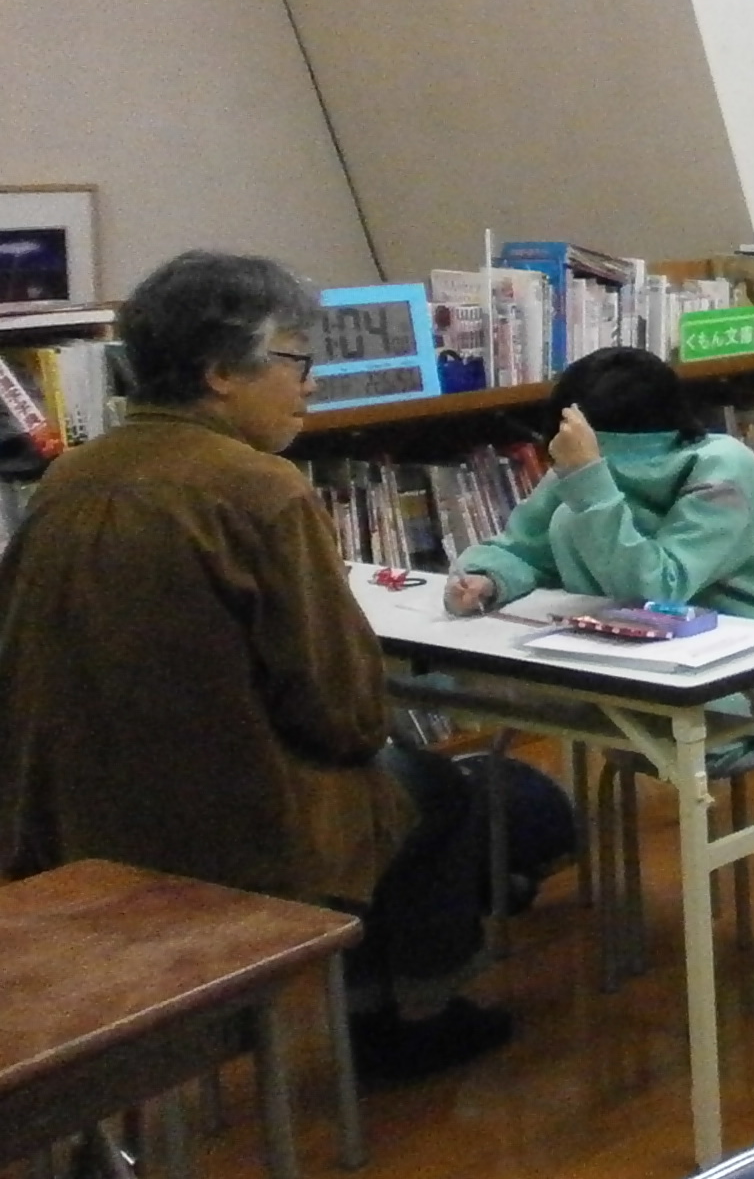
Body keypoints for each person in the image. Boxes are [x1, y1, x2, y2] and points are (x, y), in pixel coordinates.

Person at [0, 250, 507, 1080]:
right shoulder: (260, 489)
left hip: (69, 821)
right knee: (435, 791)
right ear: (220, 373)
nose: (309, 384)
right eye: (295, 361)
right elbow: (342, 713)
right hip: (225, 827)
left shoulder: (70, 477)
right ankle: (412, 1014)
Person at [446, 347, 754, 731]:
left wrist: (588, 477)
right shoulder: (582, 470)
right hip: (645, 647)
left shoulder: (721, 473)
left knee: (602, 708)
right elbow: (523, 548)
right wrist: (486, 579)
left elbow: (659, 589)